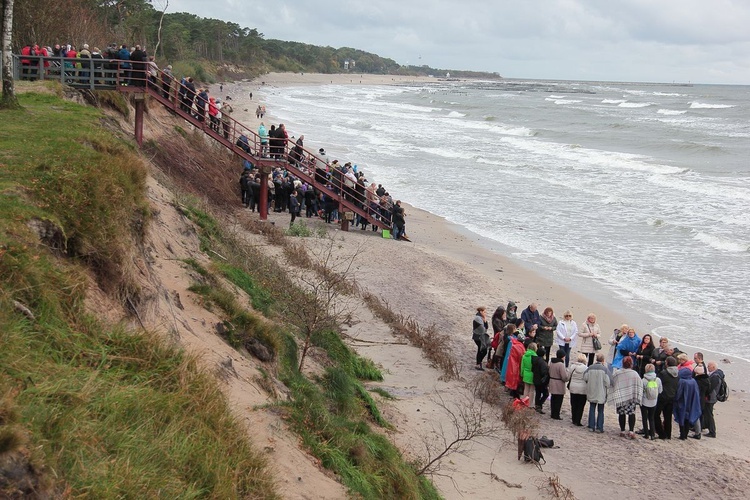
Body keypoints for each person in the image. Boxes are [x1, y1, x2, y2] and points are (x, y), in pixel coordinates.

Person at [612, 356, 642, 439]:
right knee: (631, 413)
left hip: (621, 396)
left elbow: (613, 383)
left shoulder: (618, 373)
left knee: (622, 414)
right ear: (631, 364)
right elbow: (639, 384)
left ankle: (622, 430)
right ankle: (631, 431)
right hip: (631, 397)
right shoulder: (634, 374)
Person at [583, 353, 611, 433]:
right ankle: (599, 427)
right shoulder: (605, 370)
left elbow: (585, 377)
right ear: (603, 360)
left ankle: (591, 426)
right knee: (600, 410)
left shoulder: (590, 368)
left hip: (592, 390)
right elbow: (607, 382)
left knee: (592, 408)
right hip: (601, 392)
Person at [674, 365, 703, 440]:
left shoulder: (682, 381)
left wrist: (675, 399)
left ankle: (682, 435)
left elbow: (679, 393)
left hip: (682, 403)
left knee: (681, 418)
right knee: (687, 419)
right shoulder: (693, 381)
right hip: (691, 403)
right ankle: (685, 435)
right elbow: (696, 393)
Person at [655, 356, 679, 440]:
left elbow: (658, 383)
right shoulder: (677, 374)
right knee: (668, 416)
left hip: (662, 396)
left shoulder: (664, 373)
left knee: (656, 415)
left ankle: (661, 433)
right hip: (672, 396)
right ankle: (668, 434)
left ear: (667, 363)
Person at [640, 363, 662, 440]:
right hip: (653, 402)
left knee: (644, 418)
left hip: (644, 401)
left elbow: (641, 391)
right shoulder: (658, 380)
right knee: (651, 418)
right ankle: (652, 434)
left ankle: (646, 433)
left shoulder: (643, 380)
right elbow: (660, 391)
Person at [567, 353, 588, 426]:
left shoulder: (573, 366)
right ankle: (578, 420)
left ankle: (573, 418)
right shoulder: (586, 368)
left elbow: (568, 376)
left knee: (573, 404)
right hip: (582, 388)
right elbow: (587, 378)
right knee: (581, 405)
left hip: (573, 387)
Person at [704, 361, 724, 438]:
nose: (707, 367)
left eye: (709, 366)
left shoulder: (715, 377)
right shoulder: (715, 375)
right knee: (707, 413)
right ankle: (705, 426)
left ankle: (712, 432)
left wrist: (705, 393)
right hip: (711, 397)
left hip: (711, 398)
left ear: (713, 367)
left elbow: (710, 388)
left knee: (709, 414)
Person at [548, 349, 569, 420]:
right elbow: (564, 377)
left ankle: (552, 413)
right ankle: (556, 414)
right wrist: (567, 378)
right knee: (558, 400)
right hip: (559, 383)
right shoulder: (561, 364)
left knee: (553, 399)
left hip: (552, 381)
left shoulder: (551, 362)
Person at [532, 345, 550, 414]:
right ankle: (539, 405)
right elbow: (544, 372)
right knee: (545, 394)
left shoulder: (534, 359)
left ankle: (537, 405)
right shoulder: (542, 362)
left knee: (538, 393)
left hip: (535, 379)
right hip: (541, 381)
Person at [472, 307, 489, 371]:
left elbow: (486, 327)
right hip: (478, 337)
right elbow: (483, 330)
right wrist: (484, 322)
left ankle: (479, 363)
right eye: (484, 312)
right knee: (482, 350)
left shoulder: (481, 318)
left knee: (481, 349)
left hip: (480, 336)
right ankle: (478, 363)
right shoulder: (478, 318)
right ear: (481, 312)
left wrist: (485, 321)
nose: (485, 313)